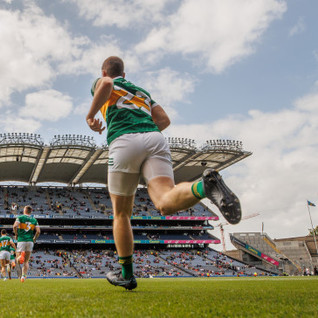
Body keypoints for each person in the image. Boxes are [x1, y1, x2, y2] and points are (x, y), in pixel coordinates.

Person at [86, 56, 242, 290]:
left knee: (121, 214)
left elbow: (106, 85)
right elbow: (163, 120)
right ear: (125, 74)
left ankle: (126, 274)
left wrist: (90, 115)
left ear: (103, 71)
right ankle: (204, 186)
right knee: (164, 201)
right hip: (155, 138)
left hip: (123, 140)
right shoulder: (142, 92)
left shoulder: (104, 80)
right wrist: (143, 131)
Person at [13, 205, 40, 282]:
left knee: (18, 260)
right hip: (30, 241)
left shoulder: (20, 217)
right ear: (30, 211)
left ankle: (21, 256)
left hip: (21, 240)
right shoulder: (34, 220)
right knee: (26, 261)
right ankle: (23, 276)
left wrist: (16, 234)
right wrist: (34, 239)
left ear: (24, 210)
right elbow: (38, 231)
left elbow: (14, 226)